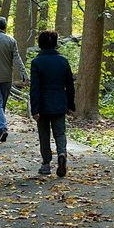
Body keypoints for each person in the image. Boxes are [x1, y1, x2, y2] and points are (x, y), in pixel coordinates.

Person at [28, 30, 74, 177]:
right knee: (60, 133)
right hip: (60, 103)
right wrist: (71, 105)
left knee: (44, 135)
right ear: (55, 44)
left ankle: (46, 164)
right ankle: (62, 153)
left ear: (40, 44)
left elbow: (34, 88)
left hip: (42, 104)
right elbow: (70, 85)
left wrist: (34, 109)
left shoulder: (37, 62)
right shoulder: (63, 61)